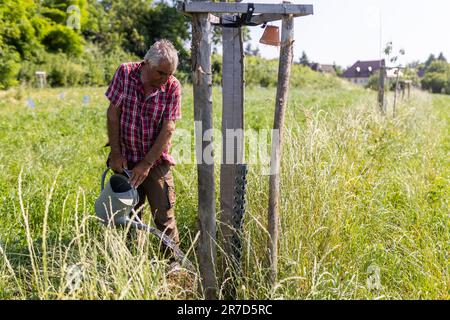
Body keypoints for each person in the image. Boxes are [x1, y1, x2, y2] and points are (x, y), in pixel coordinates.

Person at [105, 39, 182, 259]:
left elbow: (168, 128)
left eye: (169, 74)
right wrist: (117, 154)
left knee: (164, 217)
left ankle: (172, 265)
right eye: (160, 73)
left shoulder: (172, 86)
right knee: (129, 215)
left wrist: (147, 164)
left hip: (156, 162)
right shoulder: (125, 73)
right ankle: (131, 263)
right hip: (126, 160)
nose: (165, 79)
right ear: (146, 63)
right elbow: (113, 113)